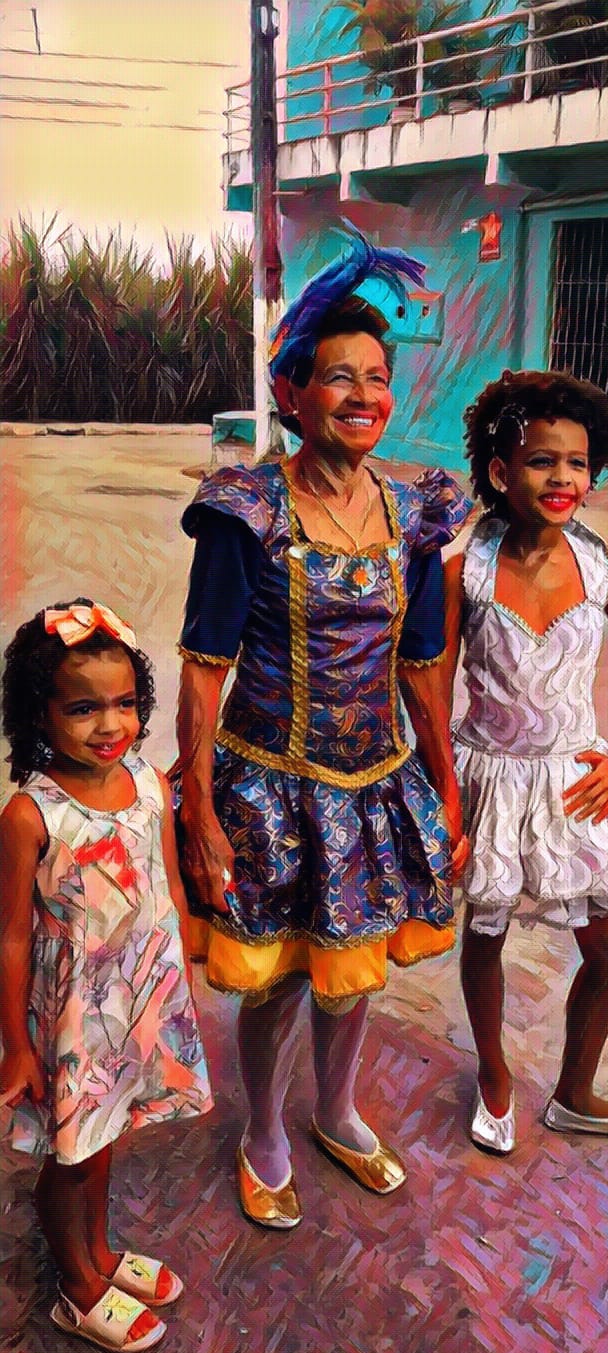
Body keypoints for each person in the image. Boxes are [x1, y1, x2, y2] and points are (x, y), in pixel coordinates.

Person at [176, 226, 472, 1228]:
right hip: (268, 784)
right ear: (292, 391)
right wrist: (201, 811)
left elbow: (423, 663)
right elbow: (204, 666)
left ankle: (337, 1113)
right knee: (277, 980)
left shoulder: (417, 512)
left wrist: (445, 786)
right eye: (338, 377)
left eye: (377, 379)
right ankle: (264, 1130)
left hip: (376, 784)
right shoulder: (245, 509)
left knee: (353, 971)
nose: (362, 396)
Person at [444, 370, 608, 1154]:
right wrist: (445, 794)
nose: (562, 479)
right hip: (491, 776)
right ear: (500, 470)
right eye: (542, 461)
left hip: (578, 784)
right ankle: (494, 1075)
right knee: (486, 932)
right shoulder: (464, 571)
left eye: (577, 462)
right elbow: (431, 687)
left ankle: (576, 1093)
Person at [0, 600, 212, 1353]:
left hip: (139, 1003)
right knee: (72, 1155)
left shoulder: (150, 784)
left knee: (107, 1133)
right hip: (72, 1021)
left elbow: (169, 885)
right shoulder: (31, 816)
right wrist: (17, 1047)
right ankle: (77, 1288)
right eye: (83, 708)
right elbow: (11, 935)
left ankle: (99, 1252)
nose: (109, 725)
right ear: (40, 713)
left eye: (124, 703)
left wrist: (180, 973)